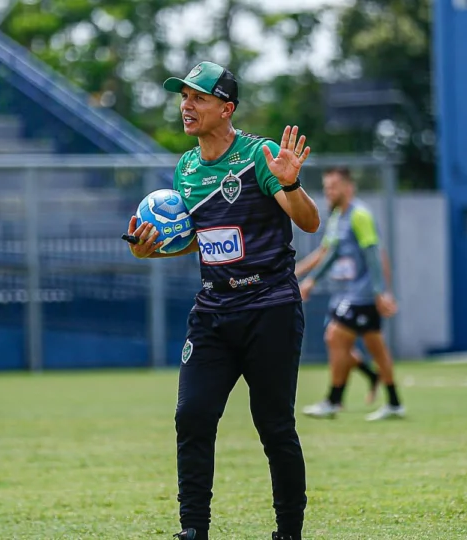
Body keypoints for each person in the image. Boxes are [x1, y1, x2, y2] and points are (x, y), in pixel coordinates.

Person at [126, 61, 320, 540]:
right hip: (213, 310)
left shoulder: (261, 155)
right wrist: (154, 248)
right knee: (191, 416)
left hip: (270, 306)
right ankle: (193, 530)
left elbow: (310, 223)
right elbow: (201, 238)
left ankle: (288, 533)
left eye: (198, 98)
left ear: (226, 108)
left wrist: (291, 184)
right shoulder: (186, 168)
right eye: (184, 97)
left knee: (274, 426)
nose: (186, 106)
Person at [297, 167, 404, 421]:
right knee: (374, 347)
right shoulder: (337, 218)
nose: (328, 192)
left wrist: (381, 292)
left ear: (348, 188)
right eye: (326, 187)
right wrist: (308, 278)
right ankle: (393, 402)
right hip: (345, 293)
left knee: (335, 337)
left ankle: (334, 400)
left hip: (362, 294)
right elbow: (330, 253)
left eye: (333, 186)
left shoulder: (360, 215)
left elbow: (374, 255)